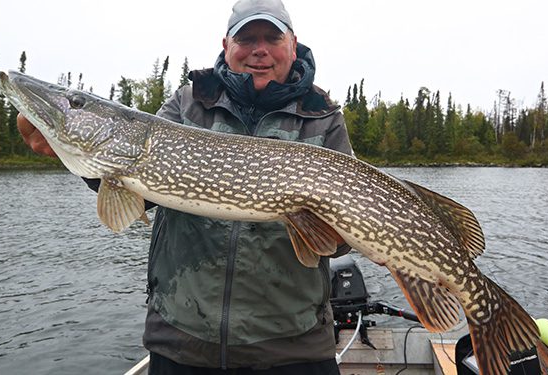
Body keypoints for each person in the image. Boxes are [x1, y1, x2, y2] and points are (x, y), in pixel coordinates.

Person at [17, 0, 354, 373]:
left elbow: (338, 242)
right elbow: (137, 195)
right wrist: (78, 157)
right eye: (246, 38)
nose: (259, 49)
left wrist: (325, 227)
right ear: (226, 46)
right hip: (184, 341)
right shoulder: (188, 103)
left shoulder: (323, 118)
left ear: (292, 44)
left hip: (294, 348)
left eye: (271, 37)